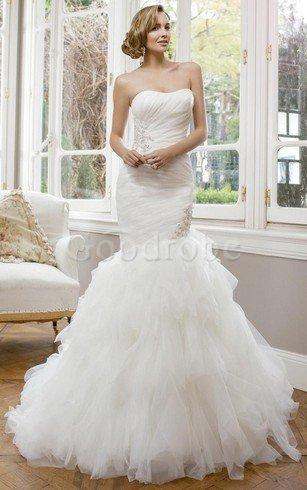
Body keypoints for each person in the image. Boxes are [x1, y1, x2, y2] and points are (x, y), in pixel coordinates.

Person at [4, 4, 302, 485]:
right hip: (138, 187)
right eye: (158, 27)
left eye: (169, 27)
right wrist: (133, 155)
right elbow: (114, 136)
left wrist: (167, 151)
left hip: (176, 182)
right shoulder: (126, 82)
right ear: (142, 34)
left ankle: (189, 415)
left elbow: (202, 131)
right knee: (140, 272)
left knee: (179, 272)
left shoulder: (191, 71)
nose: (166, 33)